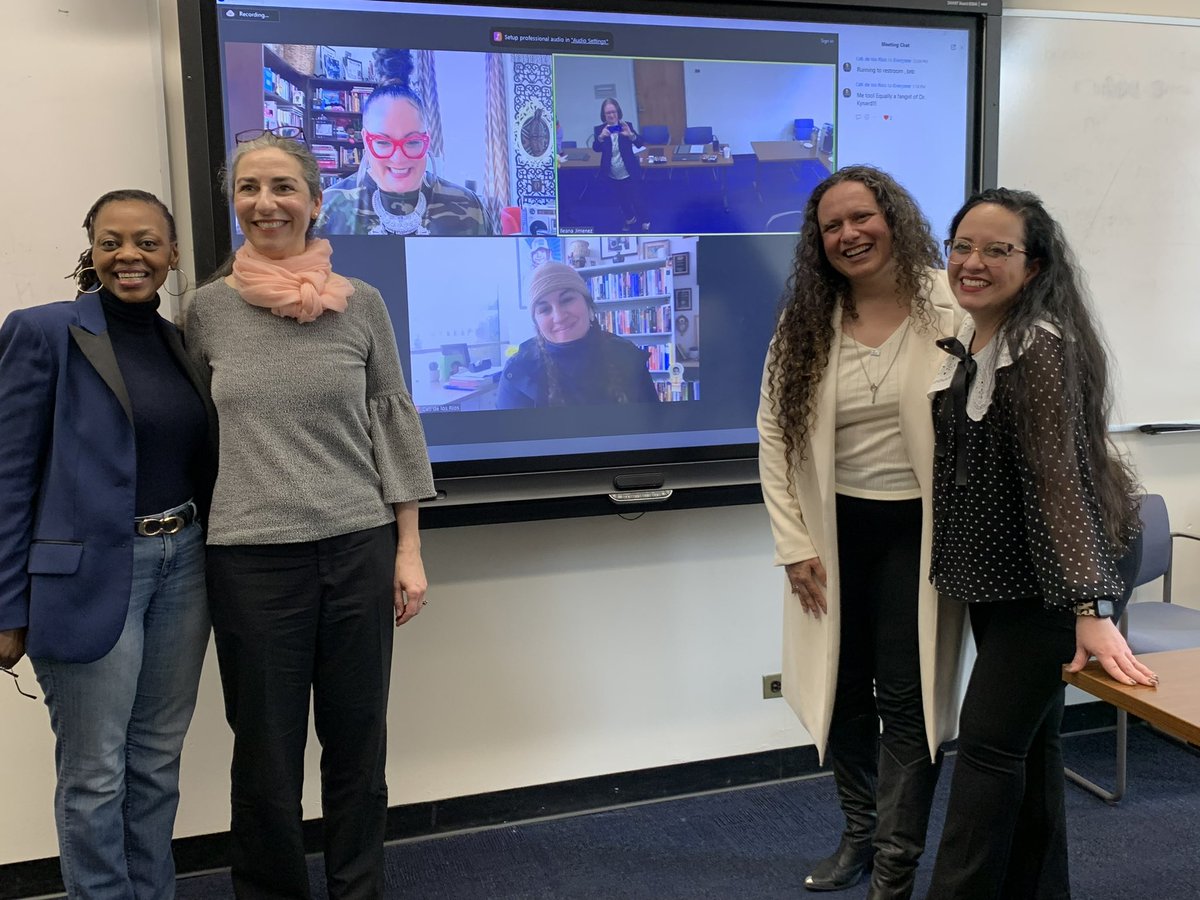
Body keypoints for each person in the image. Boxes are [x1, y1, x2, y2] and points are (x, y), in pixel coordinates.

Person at [186, 132, 436, 898]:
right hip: (251, 559)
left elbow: (391, 420)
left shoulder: (362, 305)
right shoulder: (202, 312)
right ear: (234, 203)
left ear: (317, 201)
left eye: (285, 187)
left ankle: (359, 889)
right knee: (264, 752)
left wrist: (408, 548)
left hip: (358, 548)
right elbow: (193, 436)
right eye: (250, 188)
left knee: (358, 745)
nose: (267, 203)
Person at [925, 188, 1156, 900]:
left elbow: (1060, 482)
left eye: (997, 250)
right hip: (1005, 574)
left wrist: (1090, 605)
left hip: (1053, 582)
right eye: (963, 246)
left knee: (988, 753)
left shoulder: (1039, 346)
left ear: (1034, 266)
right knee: (1030, 749)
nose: (973, 262)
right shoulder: (978, 339)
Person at [756, 166, 967, 899]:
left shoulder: (951, 304)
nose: (849, 234)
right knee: (840, 691)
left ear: (893, 218)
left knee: (906, 699)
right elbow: (773, 437)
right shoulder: (807, 320)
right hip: (834, 532)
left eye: (861, 217)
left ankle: (894, 868)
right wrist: (794, 544)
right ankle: (859, 833)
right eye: (831, 226)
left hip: (923, 531)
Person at [0, 189, 214, 896]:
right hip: (87, 578)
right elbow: (8, 477)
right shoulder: (42, 332)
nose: (130, 256)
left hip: (181, 563)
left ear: (173, 255)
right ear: (92, 250)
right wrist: (6, 607)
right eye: (113, 241)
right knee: (95, 773)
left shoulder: (180, 340)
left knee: (155, 762)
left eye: (148, 242)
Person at [317, 48, 493, 236]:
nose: (399, 158)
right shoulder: (327, 209)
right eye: (383, 142)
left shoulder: (469, 206)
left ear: (428, 138)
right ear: (366, 141)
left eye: (413, 142)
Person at [496, 261, 659, 409]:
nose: (559, 317)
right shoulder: (519, 371)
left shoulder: (627, 355)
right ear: (536, 323)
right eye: (545, 309)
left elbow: (653, 430)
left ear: (588, 304)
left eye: (566, 300)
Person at [591, 98, 649, 233]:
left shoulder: (626, 125)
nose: (611, 115)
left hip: (629, 171)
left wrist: (631, 135)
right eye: (608, 113)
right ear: (604, 115)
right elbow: (596, 148)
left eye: (613, 112)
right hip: (612, 173)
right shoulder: (599, 129)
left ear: (618, 112)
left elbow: (640, 143)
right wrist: (600, 137)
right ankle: (630, 219)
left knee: (636, 198)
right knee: (622, 199)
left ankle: (645, 220)